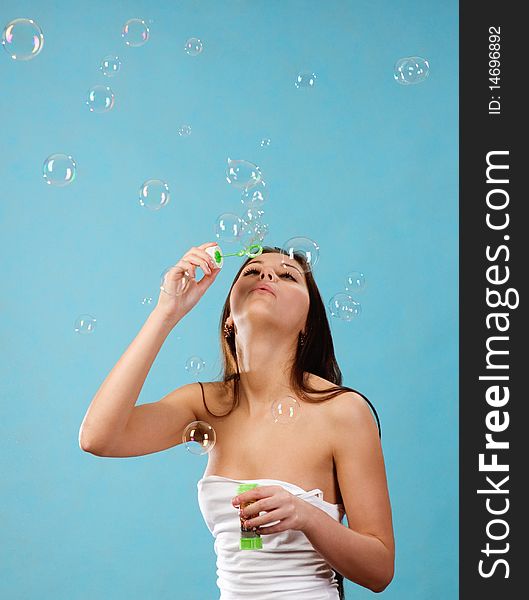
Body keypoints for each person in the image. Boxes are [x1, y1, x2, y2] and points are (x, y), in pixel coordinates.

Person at [79, 241, 395, 599]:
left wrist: (306, 515)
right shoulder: (206, 406)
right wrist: (166, 312)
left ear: (308, 323)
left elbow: (379, 569)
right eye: (252, 271)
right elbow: (98, 438)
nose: (267, 275)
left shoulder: (342, 411)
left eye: (288, 275)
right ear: (229, 316)